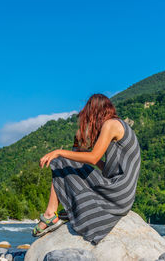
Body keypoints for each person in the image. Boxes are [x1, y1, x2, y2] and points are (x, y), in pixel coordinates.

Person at [32, 93, 141, 245]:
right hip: (122, 194)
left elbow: (93, 158)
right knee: (68, 159)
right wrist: (79, 152)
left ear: (94, 112)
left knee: (60, 159)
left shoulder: (111, 124)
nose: (88, 121)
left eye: (88, 116)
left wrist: (59, 151)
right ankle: (64, 210)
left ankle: (50, 214)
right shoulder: (117, 125)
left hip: (118, 193)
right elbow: (103, 166)